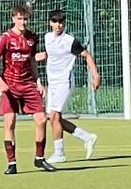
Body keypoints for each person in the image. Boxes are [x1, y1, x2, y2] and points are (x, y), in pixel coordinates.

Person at [0, 3, 50, 175]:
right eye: (20, 19)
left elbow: (32, 61)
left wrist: (38, 82)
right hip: (10, 86)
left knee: (41, 119)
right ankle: (12, 163)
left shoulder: (32, 37)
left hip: (28, 84)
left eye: (25, 19)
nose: (23, 22)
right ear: (13, 19)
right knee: (9, 123)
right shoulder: (6, 37)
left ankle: (39, 158)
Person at [41, 8, 100, 163]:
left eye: (61, 22)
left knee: (54, 115)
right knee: (54, 118)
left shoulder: (70, 41)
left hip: (64, 82)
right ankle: (87, 137)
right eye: (55, 21)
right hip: (52, 83)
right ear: (50, 23)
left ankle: (59, 154)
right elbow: (48, 54)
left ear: (64, 23)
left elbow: (87, 56)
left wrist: (96, 76)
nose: (58, 25)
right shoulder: (47, 38)